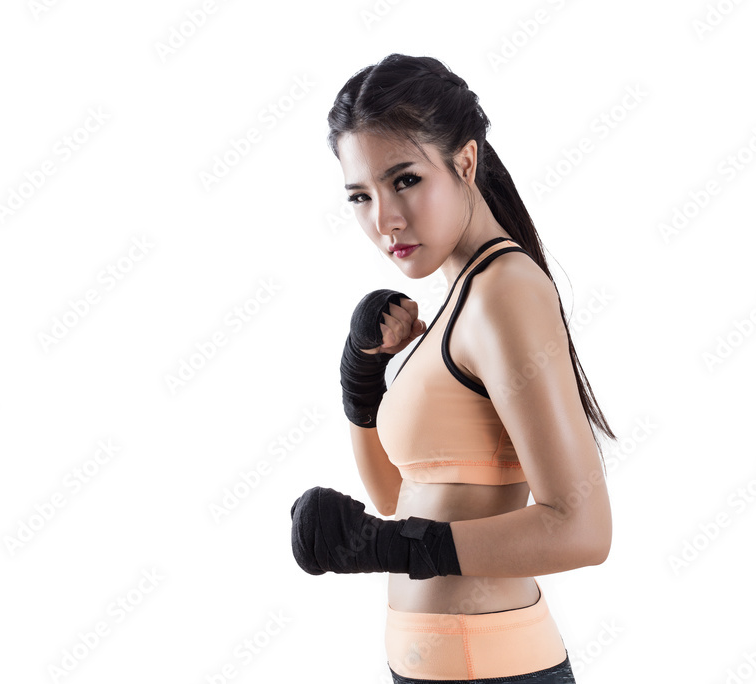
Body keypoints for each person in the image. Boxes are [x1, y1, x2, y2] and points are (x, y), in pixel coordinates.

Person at [289, 53, 616, 683]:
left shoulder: (504, 292)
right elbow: (398, 496)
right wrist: (360, 381)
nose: (383, 219)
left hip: (493, 669)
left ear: (465, 162)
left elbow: (582, 528)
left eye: (405, 180)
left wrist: (381, 548)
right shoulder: (460, 301)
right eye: (360, 196)